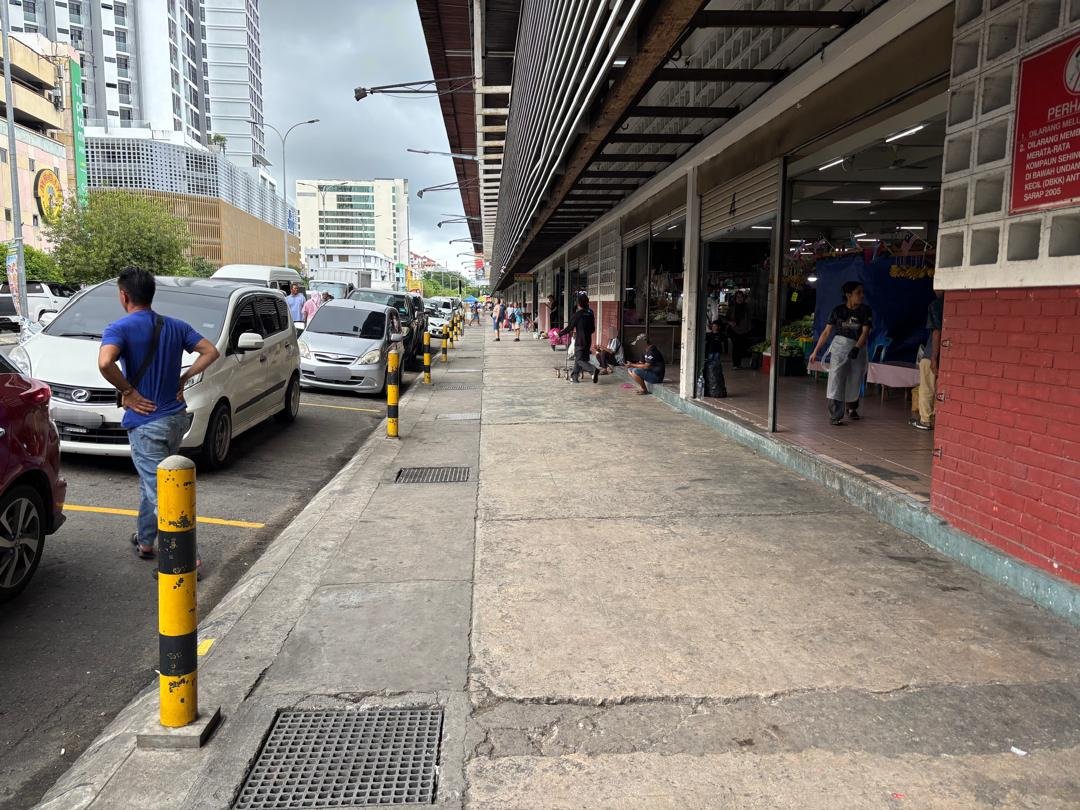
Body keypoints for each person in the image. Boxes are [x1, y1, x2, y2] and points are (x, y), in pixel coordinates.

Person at [97, 267, 220, 565]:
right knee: (154, 482)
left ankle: (189, 556)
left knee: (161, 491)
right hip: (176, 419)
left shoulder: (119, 328)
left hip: (146, 423)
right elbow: (210, 351)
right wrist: (184, 378)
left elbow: (105, 363)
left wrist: (128, 391)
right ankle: (146, 541)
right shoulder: (176, 326)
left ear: (124, 296)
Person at [810, 280, 873, 426]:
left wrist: (856, 348)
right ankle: (835, 414)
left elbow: (865, 332)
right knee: (836, 379)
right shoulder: (838, 311)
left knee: (855, 377)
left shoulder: (865, 311)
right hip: (840, 348)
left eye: (862, 292)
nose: (862, 295)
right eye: (858, 293)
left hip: (858, 347)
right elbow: (826, 332)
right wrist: (815, 351)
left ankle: (851, 408)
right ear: (848, 295)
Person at [914, 292, 944, 431]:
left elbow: (936, 332)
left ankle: (925, 420)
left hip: (932, 353)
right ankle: (935, 418)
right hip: (947, 354)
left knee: (927, 387)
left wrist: (933, 357)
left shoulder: (936, 305)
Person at [559, 293, 597, 383]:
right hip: (588, 340)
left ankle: (593, 370)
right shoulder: (590, 313)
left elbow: (569, 328)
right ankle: (574, 377)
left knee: (580, 360)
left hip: (580, 341)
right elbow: (593, 329)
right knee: (580, 359)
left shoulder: (577, 314)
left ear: (578, 304)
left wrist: (560, 334)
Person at [703, 320, 728, 398]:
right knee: (710, 366)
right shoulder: (709, 335)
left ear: (718, 327)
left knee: (715, 366)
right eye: (713, 326)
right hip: (710, 352)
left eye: (715, 326)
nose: (714, 328)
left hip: (717, 352)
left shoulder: (721, 335)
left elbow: (725, 343)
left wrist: (725, 351)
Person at [727, 291, 752, 369]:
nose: (739, 299)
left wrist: (748, 329)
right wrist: (730, 322)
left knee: (741, 347)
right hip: (734, 330)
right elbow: (726, 318)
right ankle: (735, 364)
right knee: (735, 347)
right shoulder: (732, 308)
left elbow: (749, 319)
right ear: (735, 298)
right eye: (738, 297)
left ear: (743, 298)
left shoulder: (746, 307)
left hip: (744, 330)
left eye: (741, 297)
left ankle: (739, 364)